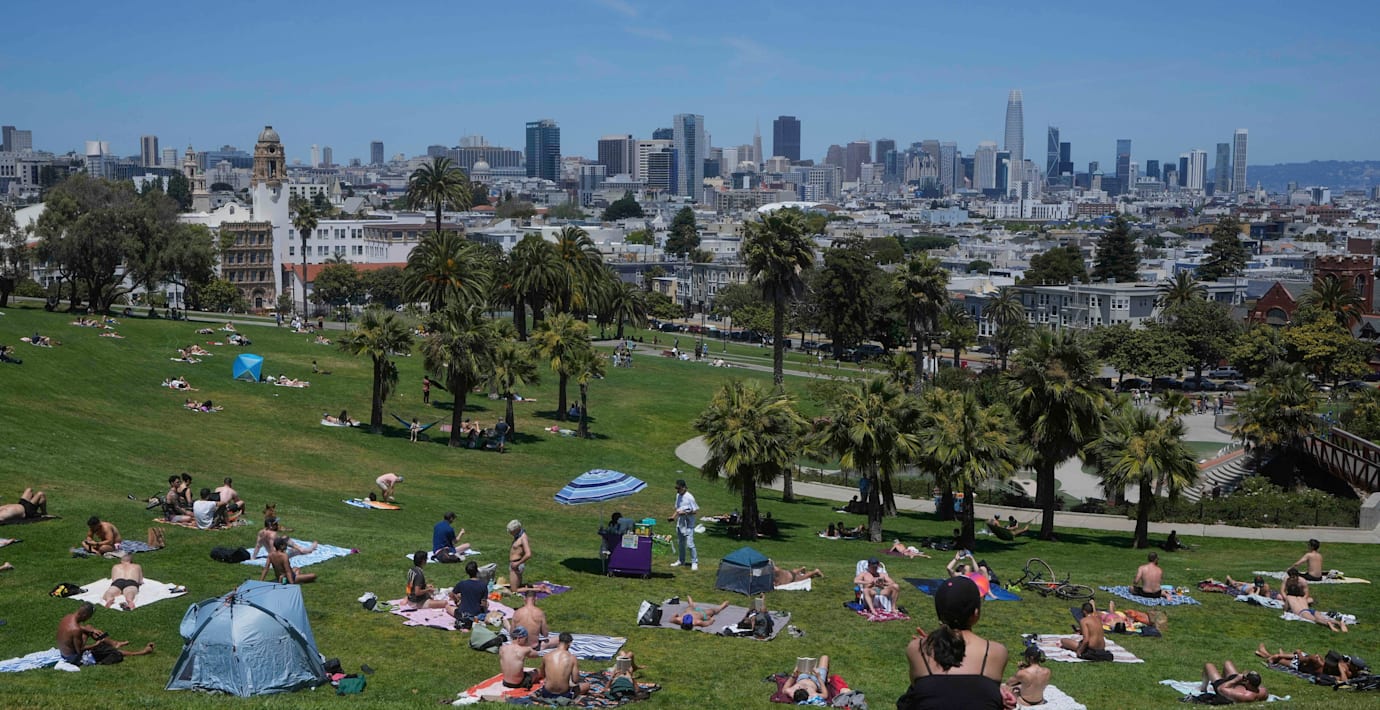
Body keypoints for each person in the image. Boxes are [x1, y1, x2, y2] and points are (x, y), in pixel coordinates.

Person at [898, 576, 1012, 710]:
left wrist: (932, 642)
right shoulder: (996, 652)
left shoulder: (917, 649)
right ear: (975, 613)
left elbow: (931, 689)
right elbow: (973, 691)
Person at [56, 603, 155, 669]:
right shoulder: (76, 630)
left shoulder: (68, 617)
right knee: (111, 652)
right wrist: (96, 645)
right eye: (89, 617)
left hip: (64, 651)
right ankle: (142, 652)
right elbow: (80, 651)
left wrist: (90, 630)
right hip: (73, 658)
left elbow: (77, 629)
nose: (88, 619)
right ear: (84, 615)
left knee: (89, 627)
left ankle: (114, 643)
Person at [1254, 643, 1362, 681]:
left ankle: (1267, 654)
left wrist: (1299, 652)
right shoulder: (1319, 660)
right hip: (1304, 662)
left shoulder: (1341, 670)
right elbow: (1302, 659)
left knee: (1279, 659)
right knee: (1281, 658)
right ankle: (1269, 654)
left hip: (1302, 665)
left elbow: (1344, 681)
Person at [1283, 568, 1346, 632]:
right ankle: (1338, 623)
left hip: (1302, 612)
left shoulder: (1288, 597)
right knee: (1322, 617)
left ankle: (1328, 624)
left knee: (1315, 619)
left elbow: (1285, 609)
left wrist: (1287, 607)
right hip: (1310, 610)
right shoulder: (1302, 598)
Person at [537, 632, 590, 700]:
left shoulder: (547, 656)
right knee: (587, 686)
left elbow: (542, 674)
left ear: (558, 641)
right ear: (570, 643)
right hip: (563, 694)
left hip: (547, 693)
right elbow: (575, 680)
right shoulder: (572, 658)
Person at [1199, 662, 1268, 703]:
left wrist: (1235, 680)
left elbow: (1220, 689)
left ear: (1248, 682)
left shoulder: (1244, 695)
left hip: (1224, 687)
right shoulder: (1263, 691)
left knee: (1208, 665)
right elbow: (1255, 682)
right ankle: (1224, 678)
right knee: (1228, 663)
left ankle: (1203, 688)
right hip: (1238, 684)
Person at [499, 625, 543, 689]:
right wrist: (529, 648)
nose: (526, 641)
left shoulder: (502, 648)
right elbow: (536, 655)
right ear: (519, 638)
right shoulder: (525, 649)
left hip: (506, 682)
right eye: (526, 639)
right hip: (519, 683)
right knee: (538, 672)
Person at [448, 560, 489, 628]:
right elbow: (483, 603)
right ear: (477, 571)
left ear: (467, 572)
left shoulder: (462, 584)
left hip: (462, 613)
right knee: (487, 604)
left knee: (447, 607)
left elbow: (451, 594)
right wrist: (485, 611)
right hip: (476, 614)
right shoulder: (483, 585)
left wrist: (457, 601)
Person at [670, 478, 699, 571]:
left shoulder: (690, 497)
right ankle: (681, 560)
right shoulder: (678, 496)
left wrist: (685, 513)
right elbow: (678, 508)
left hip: (689, 524)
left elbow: (695, 511)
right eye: (676, 488)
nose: (677, 490)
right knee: (681, 543)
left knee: (690, 544)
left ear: (683, 488)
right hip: (681, 523)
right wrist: (673, 517)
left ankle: (694, 562)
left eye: (678, 488)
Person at [508, 519, 531, 590]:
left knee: (514, 590)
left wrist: (517, 563)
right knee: (518, 586)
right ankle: (538, 587)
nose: (510, 533)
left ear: (517, 529)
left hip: (517, 564)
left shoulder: (523, 538)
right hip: (514, 564)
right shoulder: (518, 536)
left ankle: (540, 589)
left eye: (512, 532)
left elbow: (528, 554)